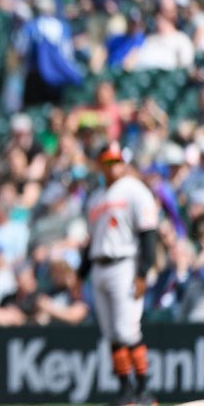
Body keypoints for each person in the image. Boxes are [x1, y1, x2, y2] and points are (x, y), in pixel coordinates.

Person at [77, 142, 158, 406]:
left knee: (127, 330)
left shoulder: (134, 190)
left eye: (117, 162)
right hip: (99, 266)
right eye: (108, 162)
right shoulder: (96, 197)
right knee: (112, 333)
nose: (113, 167)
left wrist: (143, 271)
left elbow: (148, 233)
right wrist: (80, 275)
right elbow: (92, 241)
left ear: (123, 163)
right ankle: (126, 391)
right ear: (100, 165)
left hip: (125, 264)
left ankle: (144, 389)